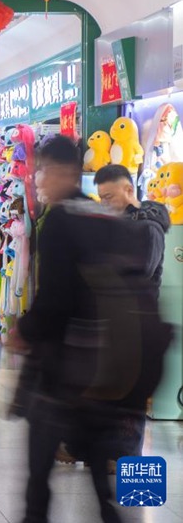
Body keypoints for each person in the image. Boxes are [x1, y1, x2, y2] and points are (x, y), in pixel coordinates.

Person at [17, 140, 172, 523]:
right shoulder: (111, 222)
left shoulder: (145, 227)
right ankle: (127, 509)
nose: (105, 201)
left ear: (127, 188)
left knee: (126, 441)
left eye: (110, 194)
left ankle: (138, 505)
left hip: (112, 347)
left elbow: (59, 296)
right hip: (120, 346)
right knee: (114, 446)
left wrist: (28, 332)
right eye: (101, 195)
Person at [95, 164, 169, 297]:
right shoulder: (113, 222)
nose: (103, 204)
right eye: (101, 198)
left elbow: (140, 275)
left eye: (108, 197)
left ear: (129, 190)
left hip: (137, 310)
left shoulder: (148, 227)